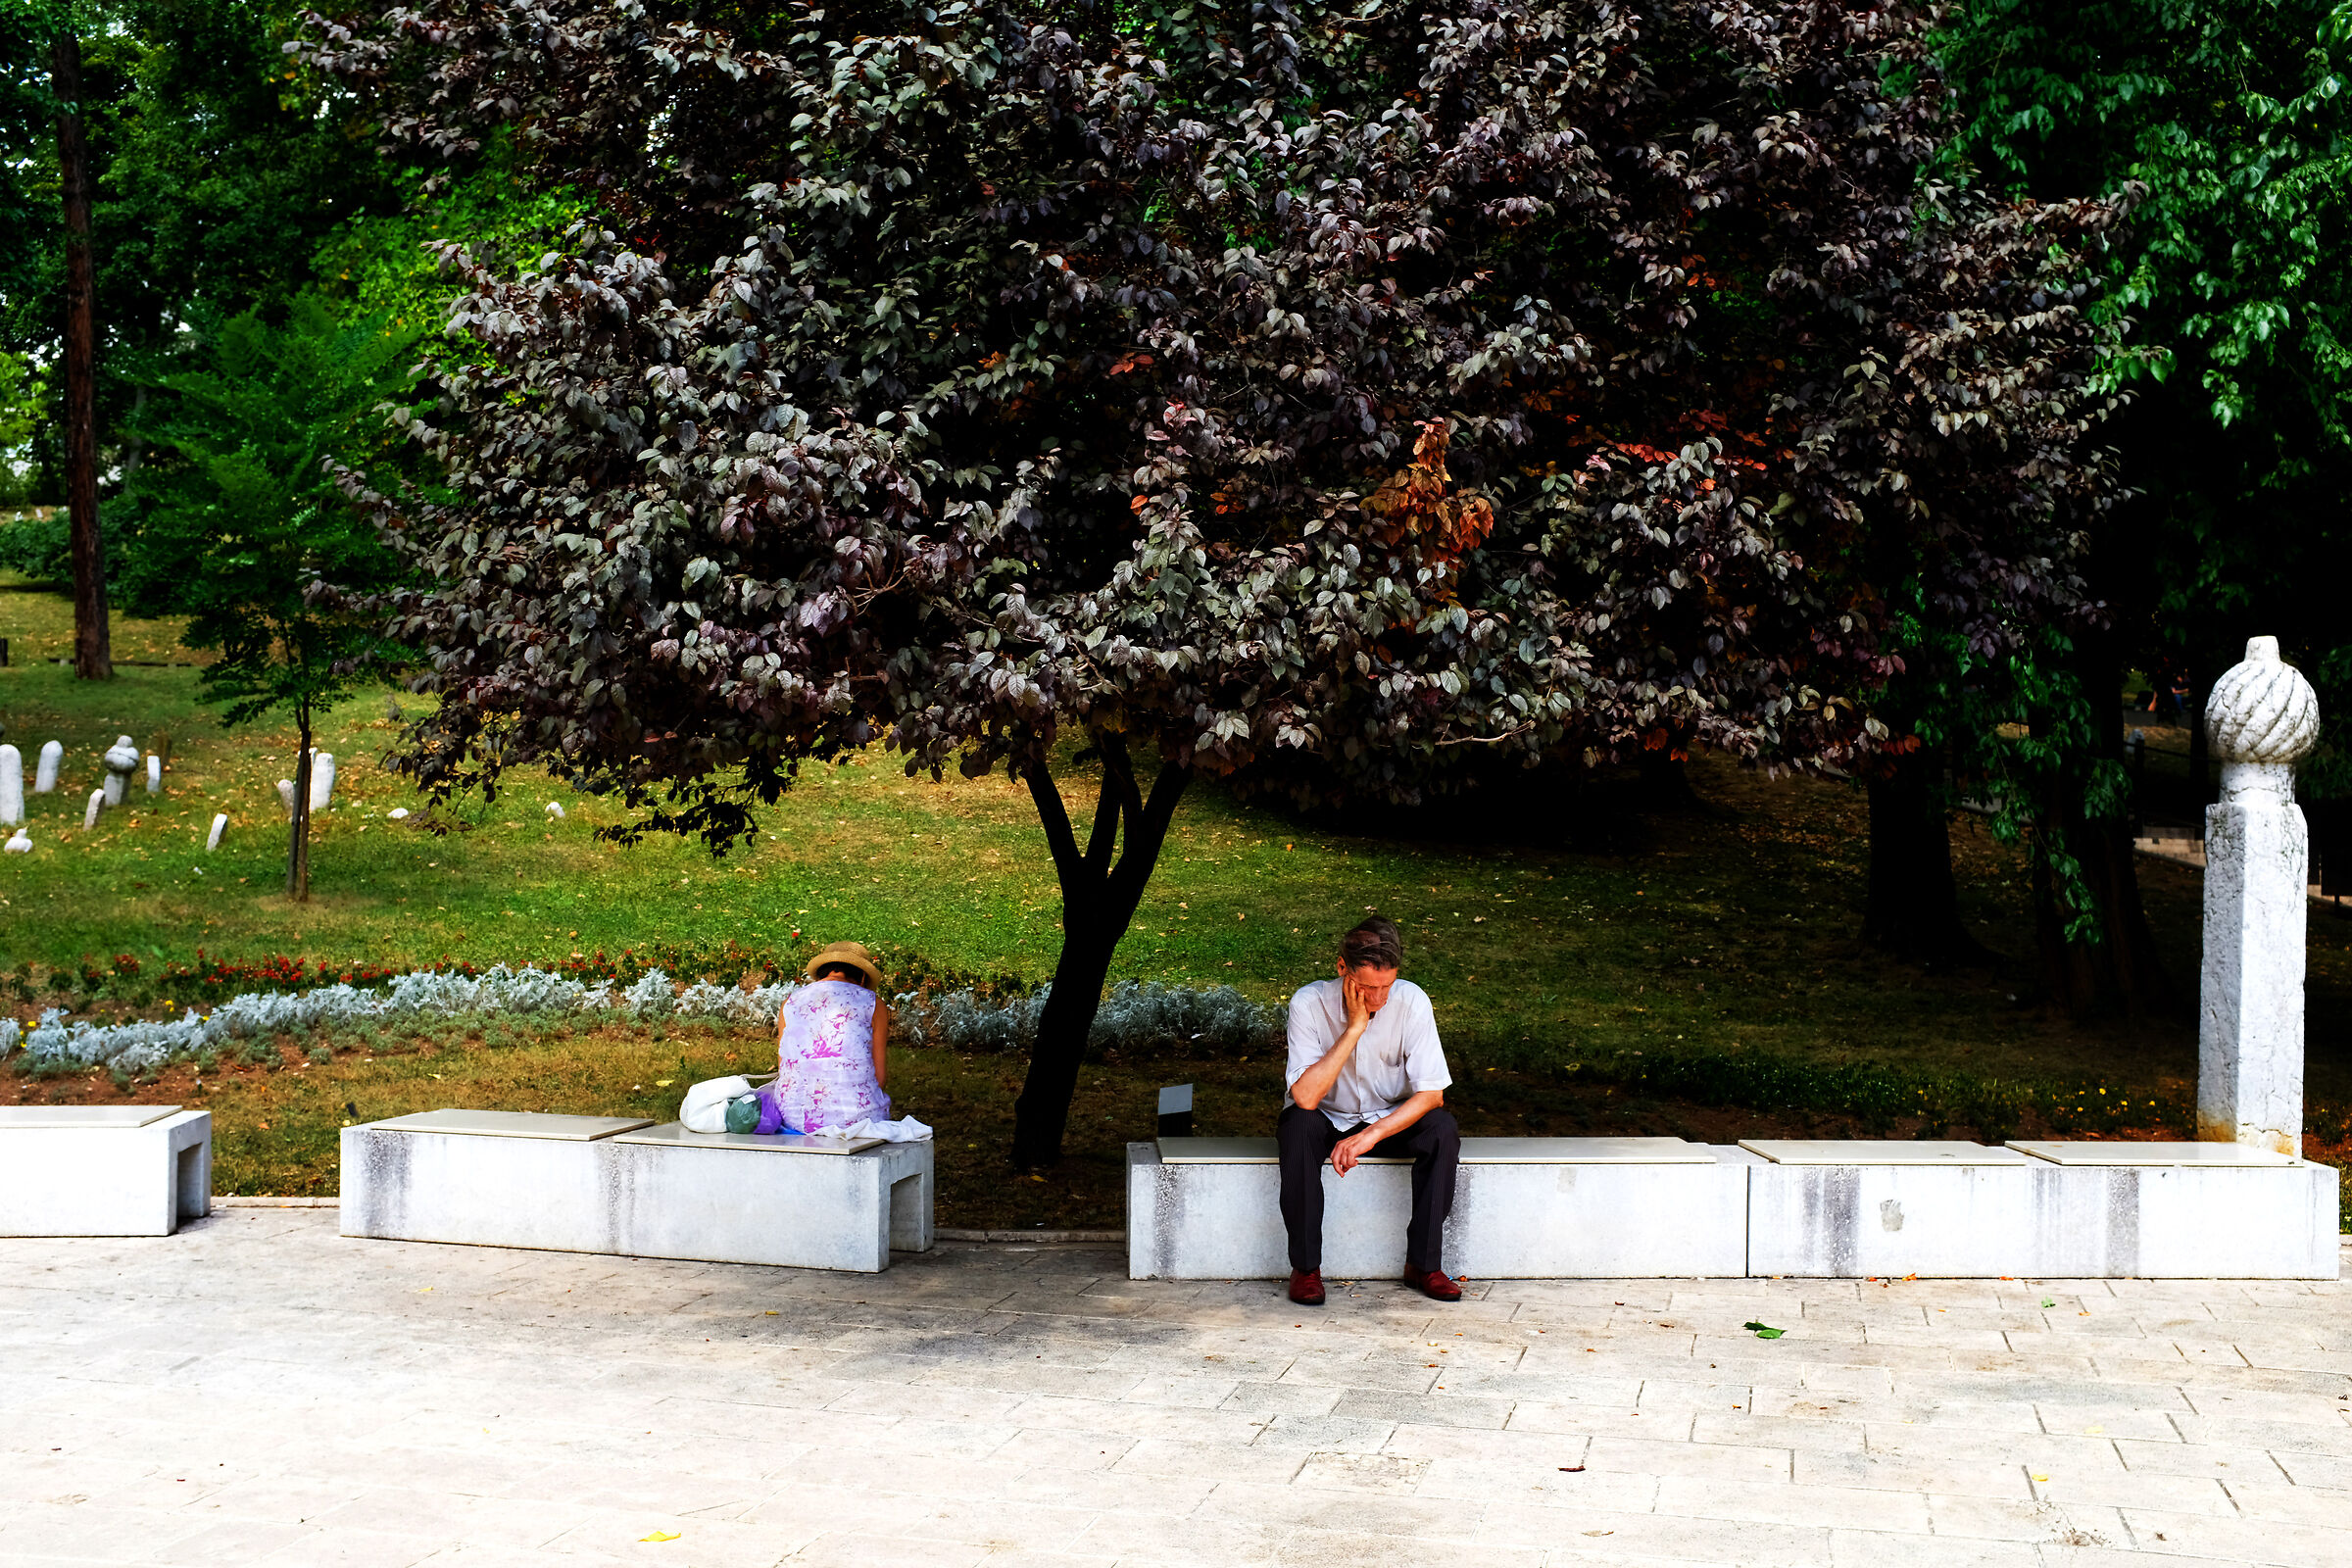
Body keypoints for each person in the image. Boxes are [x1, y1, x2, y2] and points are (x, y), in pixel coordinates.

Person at [1278, 916, 1460, 1306]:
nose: (1378, 998)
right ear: (1341, 967)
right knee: (1297, 1126)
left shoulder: (1412, 1001)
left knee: (1442, 1128)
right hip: (1326, 1117)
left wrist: (1370, 1135)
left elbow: (1432, 1095)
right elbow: (1307, 1096)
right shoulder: (1308, 1004)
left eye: (1386, 986)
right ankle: (1306, 1268)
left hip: (1387, 1121)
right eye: (1367, 987)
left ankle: (1424, 1266)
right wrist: (1355, 1028)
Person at [770, 940, 892, 1134]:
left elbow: (784, 1068)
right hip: (857, 1119)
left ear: (822, 972)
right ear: (861, 977)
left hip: (794, 1117)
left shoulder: (790, 1002)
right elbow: (880, 1077)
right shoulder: (873, 1003)